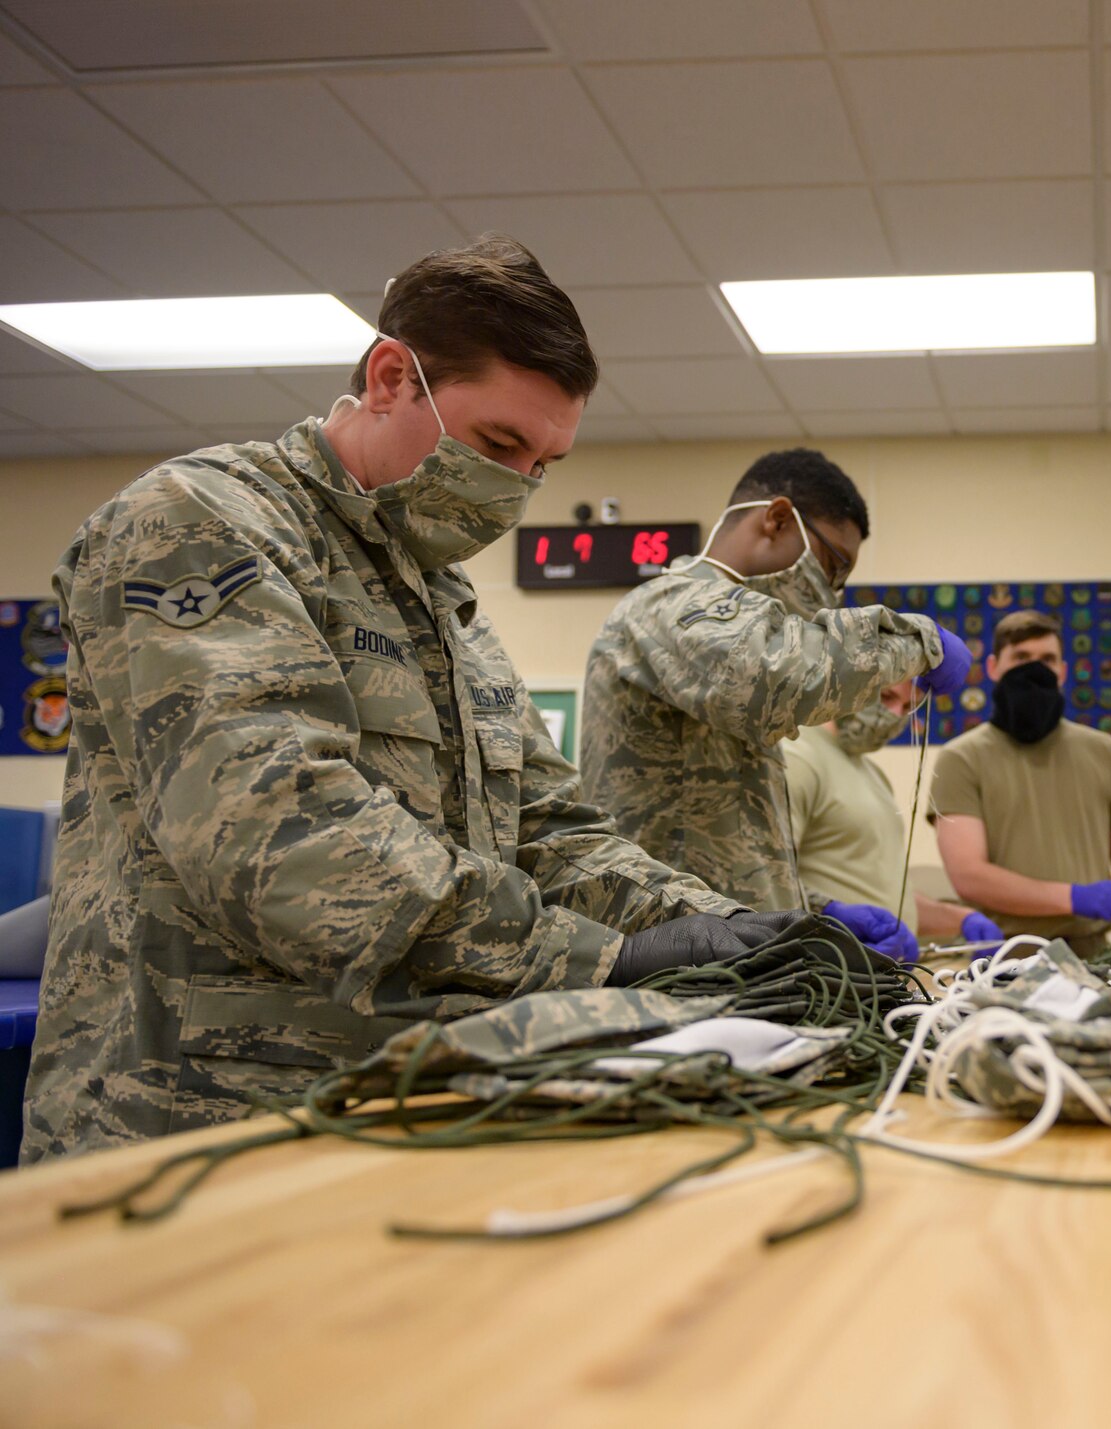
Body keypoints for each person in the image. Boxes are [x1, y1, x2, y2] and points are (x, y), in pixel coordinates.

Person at [24, 236, 799, 1162]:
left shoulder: (447, 609)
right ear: (392, 376)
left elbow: (550, 831)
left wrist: (724, 928)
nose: (516, 487)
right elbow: (277, 835)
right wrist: (601, 960)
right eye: (500, 443)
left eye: (544, 464)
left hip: (394, 1109)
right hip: (193, 1127)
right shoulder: (201, 524)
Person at [578, 449, 969, 960]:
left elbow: (725, 849)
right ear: (777, 519)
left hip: (718, 945)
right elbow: (788, 675)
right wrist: (918, 639)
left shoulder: (728, 629)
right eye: (833, 564)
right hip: (670, 952)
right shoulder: (672, 605)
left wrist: (815, 907)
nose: (832, 592)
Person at [930, 610, 1111, 957]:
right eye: (1021, 658)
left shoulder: (1105, 751)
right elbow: (969, 875)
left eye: (1047, 659)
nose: (1035, 669)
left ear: (1063, 671)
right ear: (993, 668)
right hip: (1005, 957)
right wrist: (1073, 898)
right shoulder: (960, 759)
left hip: (1094, 955)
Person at [783, 678, 1005, 949]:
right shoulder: (797, 758)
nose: (894, 716)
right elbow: (767, 888)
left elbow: (887, 899)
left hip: (879, 981)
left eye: (908, 707)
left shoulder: (871, 773)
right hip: (823, 976)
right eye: (886, 697)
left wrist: (961, 919)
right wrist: (831, 921)